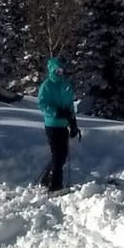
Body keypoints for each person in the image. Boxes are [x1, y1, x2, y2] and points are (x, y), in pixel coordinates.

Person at [37, 56, 82, 191]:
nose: (60, 73)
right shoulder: (46, 85)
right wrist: (56, 112)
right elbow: (42, 104)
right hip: (52, 125)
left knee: (62, 155)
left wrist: (73, 123)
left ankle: (47, 178)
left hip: (63, 125)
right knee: (58, 154)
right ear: (52, 71)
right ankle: (55, 186)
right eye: (57, 71)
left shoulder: (67, 85)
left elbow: (69, 105)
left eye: (61, 71)